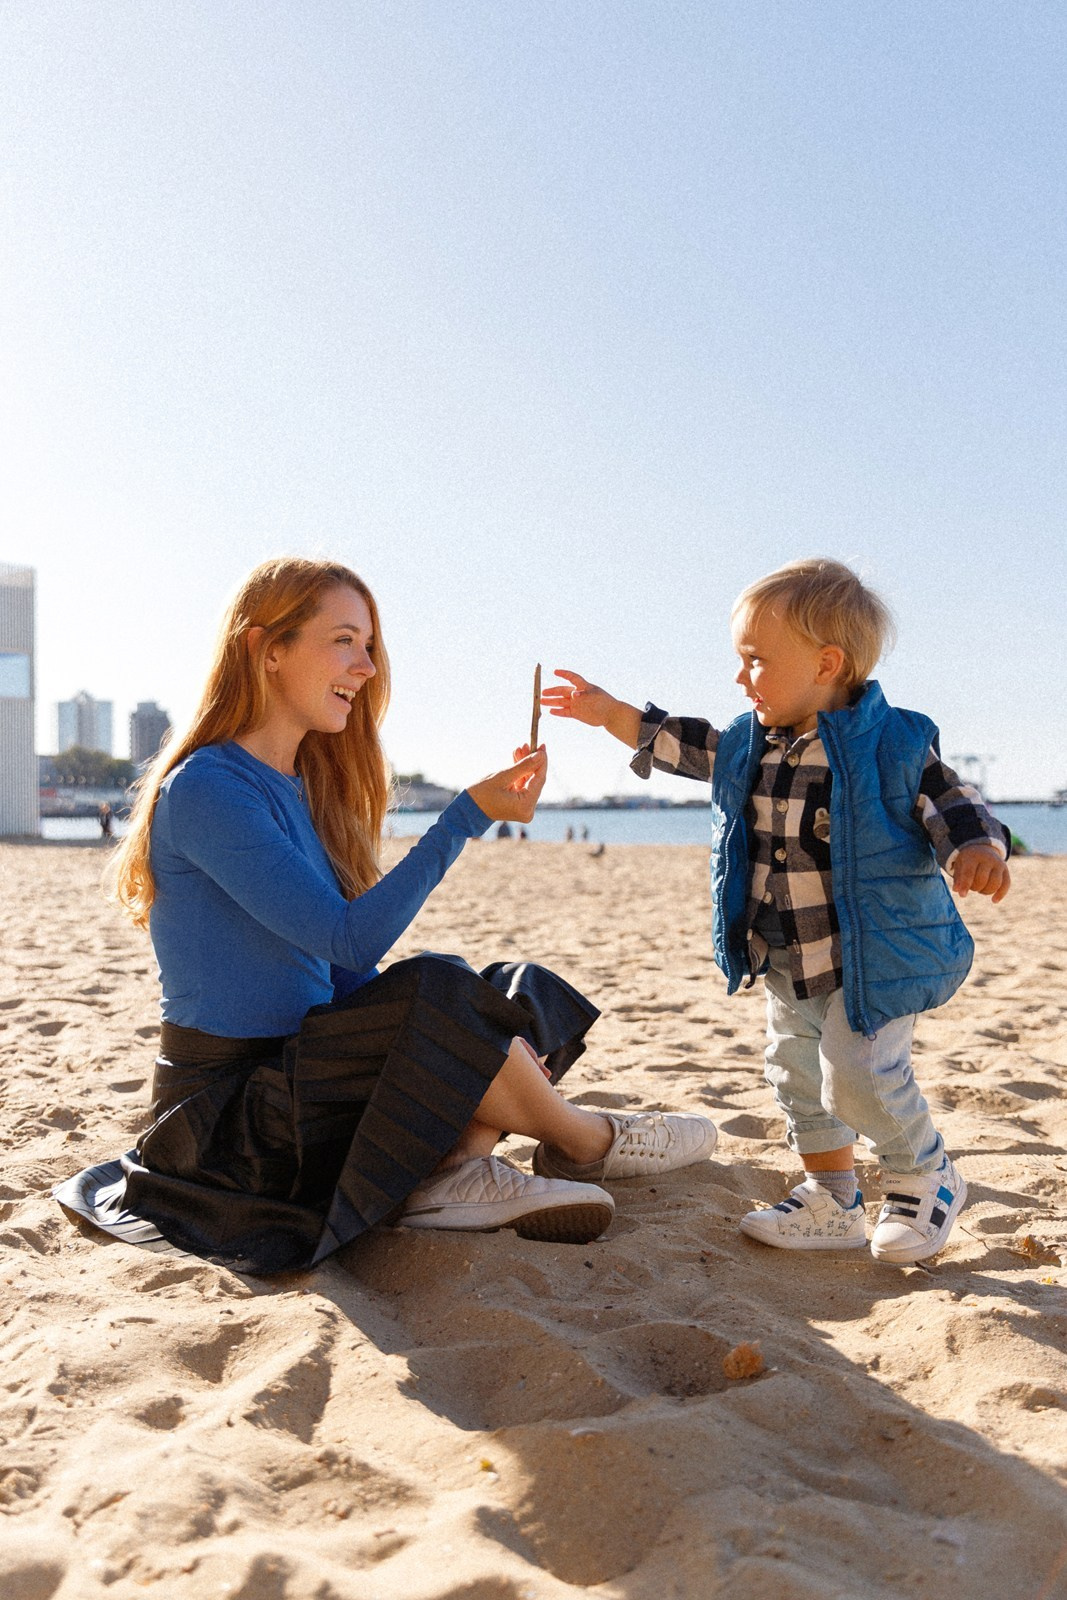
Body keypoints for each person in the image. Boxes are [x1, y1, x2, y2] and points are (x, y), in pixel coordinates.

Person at [54, 558, 715, 1275]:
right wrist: (465, 816)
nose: (367, 667)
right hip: (233, 1124)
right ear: (265, 649)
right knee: (439, 990)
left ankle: (452, 1172)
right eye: (345, 640)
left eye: (370, 646)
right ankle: (587, 1140)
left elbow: (342, 972)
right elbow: (346, 935)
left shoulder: (300, 787)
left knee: (510, 986)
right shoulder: (209, 788)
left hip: (308, 1073)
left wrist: (447, 1019)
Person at [543, 558, 1011, 1267]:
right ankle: (832, 1197)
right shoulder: (748, 745)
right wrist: (610, 712)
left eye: (755, 660)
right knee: (794, 1073)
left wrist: (978, 847)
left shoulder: (897, 742)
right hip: (786, 952)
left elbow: (952, 801)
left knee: (856, 1070)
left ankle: (924, 1173)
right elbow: (685, 744)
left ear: (827, 664)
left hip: (874, 957)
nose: (740, 678)